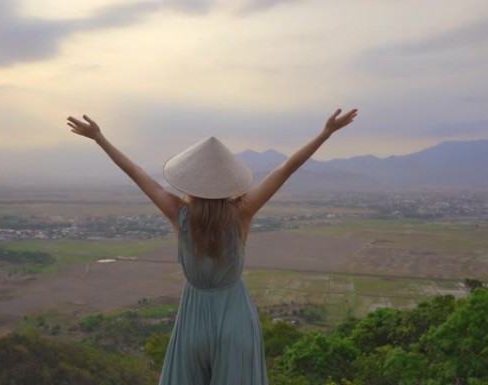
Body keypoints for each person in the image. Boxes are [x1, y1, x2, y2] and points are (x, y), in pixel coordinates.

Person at [66, 107, 358, 385]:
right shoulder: (243, 212)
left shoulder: (178, 213)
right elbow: (287, 168)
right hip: (235, 320)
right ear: (229, 182)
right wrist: (325, 133)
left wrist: (100, 139)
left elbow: (136, 173)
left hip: (193, 322)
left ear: (189, 181)